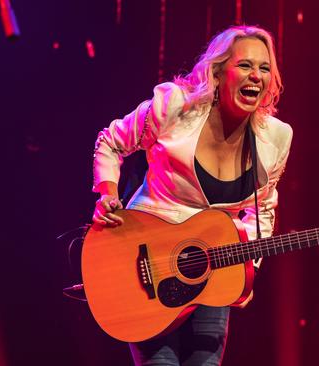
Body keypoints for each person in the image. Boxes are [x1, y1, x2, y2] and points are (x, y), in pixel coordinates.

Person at [90, 25, 293, 366]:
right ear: (218, 72)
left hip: (213, 271)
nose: (256, 76)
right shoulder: (174, 107)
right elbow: (110, 142)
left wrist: (247, 266)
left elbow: (264, 211)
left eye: (264, 68)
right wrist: (108, 193)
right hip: (144, 263)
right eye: (245, 65)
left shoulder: (276, 138)